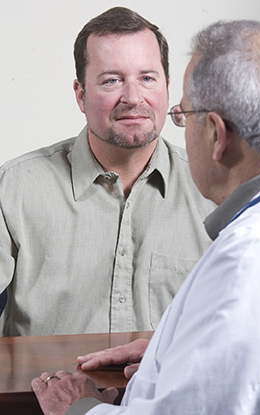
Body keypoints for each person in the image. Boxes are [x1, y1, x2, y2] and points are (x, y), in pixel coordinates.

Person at [32, 19, 260, 414]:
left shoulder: (252, 256)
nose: (133, 97)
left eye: (183, 116)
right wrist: (171, 347)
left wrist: (77, 408)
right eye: (111, 80)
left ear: (215, 133)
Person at [0, 7, 214, 337]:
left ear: (167, 87)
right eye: (112, 80)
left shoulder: (213, 189)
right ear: (81, 95)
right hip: (39, 389)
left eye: (147, 78)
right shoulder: (14, 189)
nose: (133, 97)